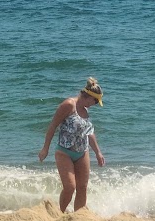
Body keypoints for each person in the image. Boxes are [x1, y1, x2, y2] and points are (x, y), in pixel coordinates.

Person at [38, 77, 105, 212]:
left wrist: (98, 152)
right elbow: (53, 126)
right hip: (64, 151)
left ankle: (78, 217)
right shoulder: (69, 105)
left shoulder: (86, 111)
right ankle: (60, 213)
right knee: (70, 187)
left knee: (82, 187)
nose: (96, 104)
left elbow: (89, 132)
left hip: (82, 152)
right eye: (96, 101)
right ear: (89, 97)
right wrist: (45, 148)